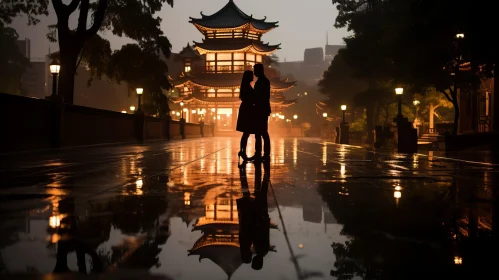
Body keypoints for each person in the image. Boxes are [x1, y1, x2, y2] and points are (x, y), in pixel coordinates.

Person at [252, 63, 271, 161]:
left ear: (259, 70)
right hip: (262, 109)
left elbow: (262, 96)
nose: (254, 73)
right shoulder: (263, 81)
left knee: (262, 132)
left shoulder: (263, 82)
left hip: (261, 109)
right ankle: (259, 153)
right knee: (259, 132)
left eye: (255, 70)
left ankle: (264, 153)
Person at [236, 70, 257, 162]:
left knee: (246, 133)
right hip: (247, 110)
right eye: (251, 75)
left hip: (246, 109)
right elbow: (250, 98)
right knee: (246, 132)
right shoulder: (247, 87)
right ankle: (242, 151)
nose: (253, 77)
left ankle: (242, 151)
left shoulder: (245, 86)